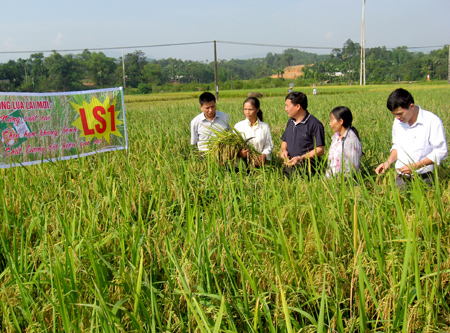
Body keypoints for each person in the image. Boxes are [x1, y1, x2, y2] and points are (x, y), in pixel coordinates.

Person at [375, 88, 448, 188]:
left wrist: (416, 166)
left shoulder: (432, 121)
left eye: (400, 114)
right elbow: (397, 146)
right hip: (402, 178)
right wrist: (388, 162)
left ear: (411, 106)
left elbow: (441, 151)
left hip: (425, 178)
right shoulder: (398, 122)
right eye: (394, 114)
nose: (397, 118)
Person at [281, 91, 325, 178]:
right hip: (290, 168)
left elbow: (320, 150)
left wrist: (301, 158)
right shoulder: (290, 122)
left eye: (287, 106)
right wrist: (284, 151)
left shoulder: (315, 124)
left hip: (308, 171)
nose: (285, 109)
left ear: (298, 106)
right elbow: (284, 141)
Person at [234, 97, 273, 166]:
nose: (247, 112)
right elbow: (233, 145)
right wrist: (240, 153)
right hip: (241, 166)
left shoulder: (264, 127)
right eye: (245, 109)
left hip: (259, 165)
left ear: (257, 110)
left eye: (250, 109)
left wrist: (263, 155)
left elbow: (268, 145)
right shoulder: (238, 126)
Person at [325, 106, 362, 178]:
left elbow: (352, 169)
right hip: (332, 182)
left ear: (341, 121)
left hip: (345, 184)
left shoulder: (351, 140)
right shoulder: (336, 138)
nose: (330, 123)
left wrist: (340, 182)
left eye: (332, 120)